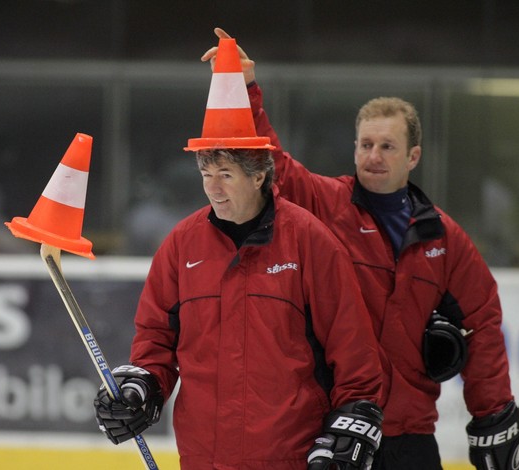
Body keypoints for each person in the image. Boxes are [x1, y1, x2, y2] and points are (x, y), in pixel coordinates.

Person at [201, 28, 519, 470]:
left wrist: (492, 414)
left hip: (411, 431)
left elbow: (484, 322)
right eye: (365, 144)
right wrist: (246, 90)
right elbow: (275, 165)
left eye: (387, 146)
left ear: (412, 156)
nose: (373, 155)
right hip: (340, 429)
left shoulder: (443, 237)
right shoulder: (326, 204)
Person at [93, 39, 385, 469]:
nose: (213, 187)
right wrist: (142, 387)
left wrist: (354, 420)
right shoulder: (181, 245)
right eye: (206, 173)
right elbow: (156, 343)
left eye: (226, 174)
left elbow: (354, 354)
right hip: (203, 459)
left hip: (289, 458)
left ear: (259, 175)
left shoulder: (310, 241)